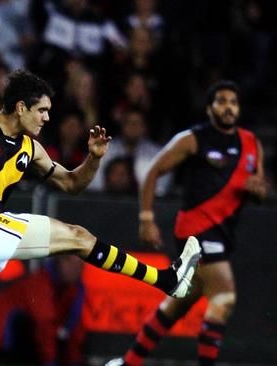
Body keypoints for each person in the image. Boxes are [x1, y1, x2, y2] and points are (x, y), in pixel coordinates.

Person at [0, 69, 201, 366]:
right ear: (21, 107)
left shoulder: (30, 149)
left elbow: (72, 183)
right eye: (42, 110)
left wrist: (93, 159)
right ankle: (165, 280)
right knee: (78, 237)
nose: (47, 118)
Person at [105, 80, 267, 366]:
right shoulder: (193, 139)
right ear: (209, 107)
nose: (228, 107)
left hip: (223, 232)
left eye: (233, 102)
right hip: (195, 231)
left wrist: (259, 191)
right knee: (224, 296)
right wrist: (146, 217)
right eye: (222, 101)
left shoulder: (252, 144)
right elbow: (153, 171)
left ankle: (128, 362)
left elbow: (260, 190)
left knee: (177, 305)